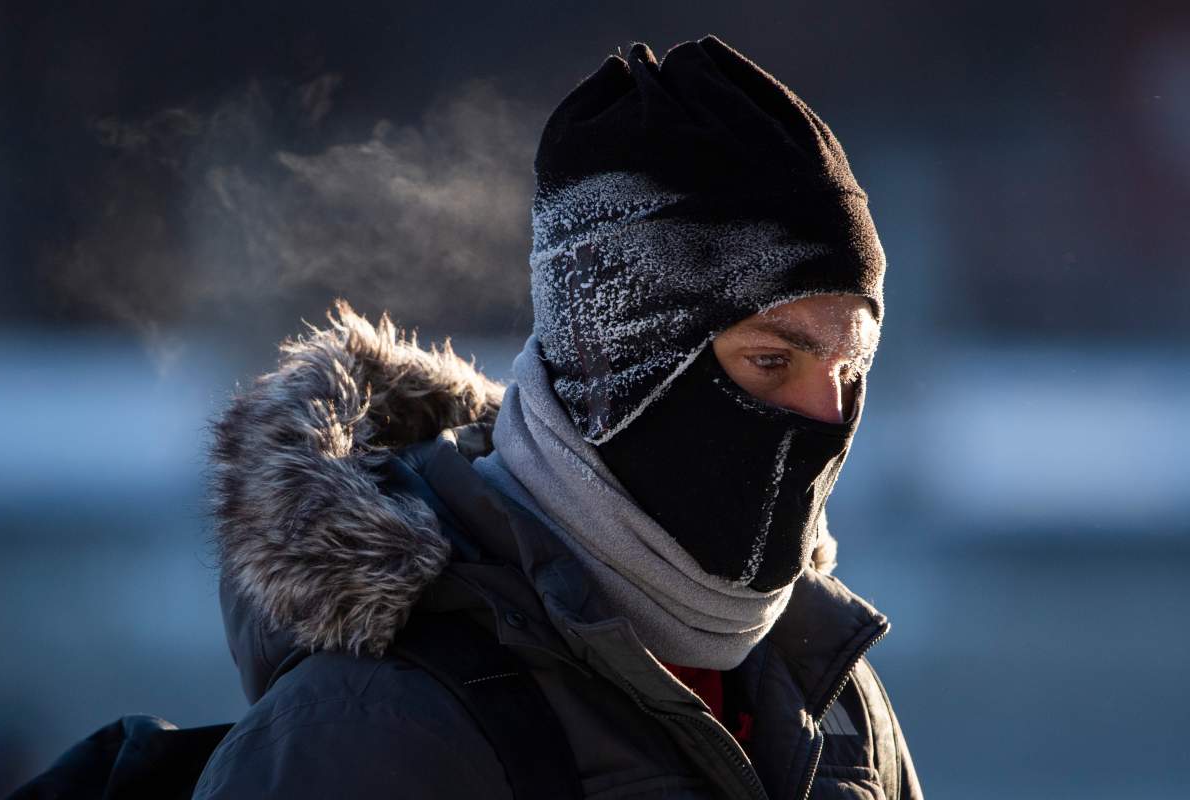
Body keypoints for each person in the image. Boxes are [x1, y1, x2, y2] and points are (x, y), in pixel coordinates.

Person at [193, 34, 923, 800]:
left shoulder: (827, 693)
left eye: (850, 371)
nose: (826, 416)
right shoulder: (372, 731)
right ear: (617, 365)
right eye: (772, 362)